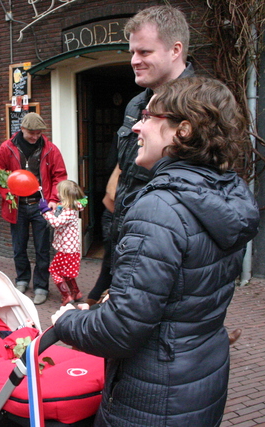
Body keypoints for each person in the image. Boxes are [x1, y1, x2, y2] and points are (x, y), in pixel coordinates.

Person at [51, 76, 260, 426]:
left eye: (148, 117)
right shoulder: (228, 196)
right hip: (200, 383)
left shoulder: (159, 207)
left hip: (153, 396)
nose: (136, 127)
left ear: (183, 131)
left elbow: (121, 329)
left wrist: (68, 322)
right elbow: (183, 295)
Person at [90, 5, 194, 308]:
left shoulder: (200, 106)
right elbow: (126, 173)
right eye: (132, 51)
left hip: (165, 260)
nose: (134, 60)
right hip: (128, 247)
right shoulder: (136, 104)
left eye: (145, 52)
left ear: (175, 50)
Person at [0, 112, 67, 305]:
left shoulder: (50, 149)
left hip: (41, 206)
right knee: (19, 247)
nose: (35, 137)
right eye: (32, 133)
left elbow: (60, 176)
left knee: (43, 249)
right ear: (22, 129)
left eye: (39, 133)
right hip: (17, 206)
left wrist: (53, 199)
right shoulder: (6, 148)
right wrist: (7, 194)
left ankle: (41, 286)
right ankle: (22, 279)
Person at [38, 180, 86, 305]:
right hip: (70, 248)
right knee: (67, 273)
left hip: (67, 249)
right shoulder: (71, 206)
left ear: (65, 195)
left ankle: (66, 296)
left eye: (59, 192)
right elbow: (59, 217)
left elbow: (56, 223)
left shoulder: (69, 209)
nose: (57, 194)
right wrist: (52, 211)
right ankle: (76, 292)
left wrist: (45, 211)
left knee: (55, 272)